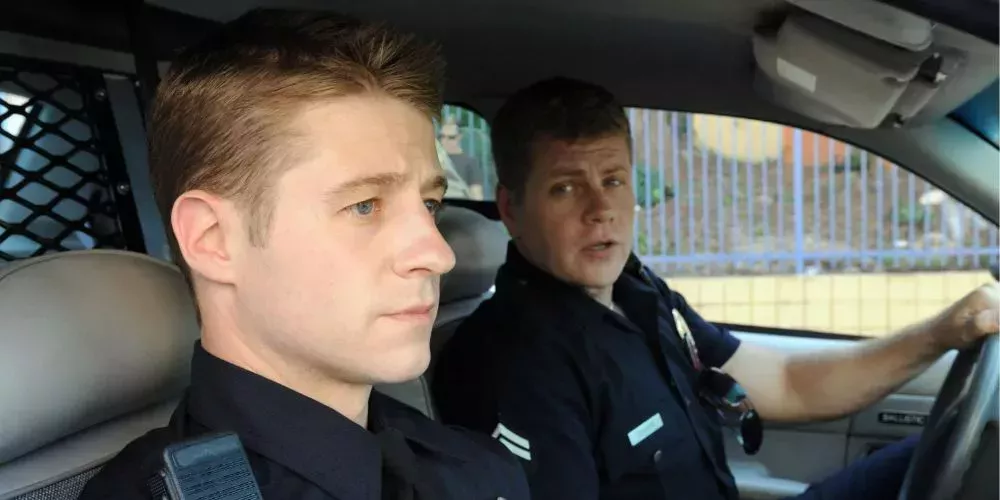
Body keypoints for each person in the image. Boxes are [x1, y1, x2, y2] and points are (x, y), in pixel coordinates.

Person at [430, 76, 1000, 500]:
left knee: (956, 455)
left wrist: (947, 330)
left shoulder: (638, 295)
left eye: (613, 180)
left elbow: (787, 383)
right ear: (512, 207)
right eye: (565, 188)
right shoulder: (514, 363)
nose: (601, 210)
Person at [79, 10, 529, 500]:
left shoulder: (475, 468)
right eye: (364, 205)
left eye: (429, 204)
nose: (438, 254)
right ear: (212, 238)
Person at [439, 117, 486, 200]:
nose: (445, 141)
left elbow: (476, 194)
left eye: (451, 137)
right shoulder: (434, 159)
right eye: (442, 136)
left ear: (459, 137)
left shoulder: (471, 162)